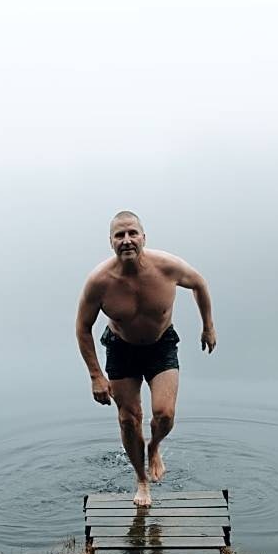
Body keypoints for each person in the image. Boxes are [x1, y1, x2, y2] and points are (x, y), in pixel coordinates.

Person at [76, 211, 216, 507]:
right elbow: (82, 327)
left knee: (164, 414)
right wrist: (95, 375)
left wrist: (208, 326)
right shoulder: (99, 282)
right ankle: (141, 481)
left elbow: (200, 284)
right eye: (119, 235)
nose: (126, 240)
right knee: (129, 420)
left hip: (160, 345)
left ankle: (154, 448)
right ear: (111, 242)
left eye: (132, 233)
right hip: (120, 347)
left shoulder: (167, 267)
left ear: (143, 237)